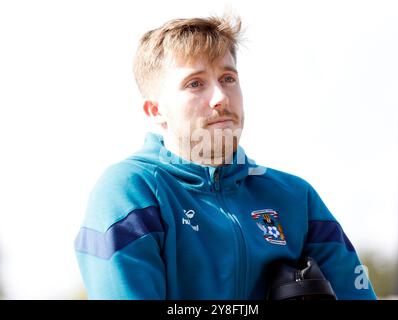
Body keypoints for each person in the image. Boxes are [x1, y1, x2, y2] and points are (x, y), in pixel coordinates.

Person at [74, 15, 377, 300]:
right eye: (195, 83)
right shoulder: (127, 191)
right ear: (156, 111)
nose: (220, 97)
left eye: (228, 78)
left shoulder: (297, 196)